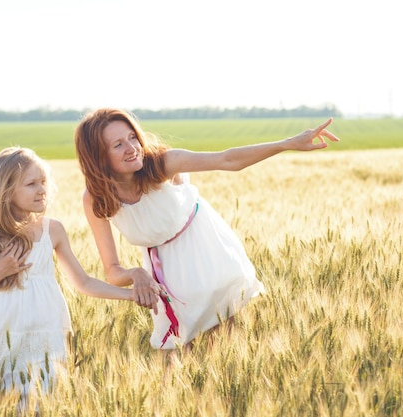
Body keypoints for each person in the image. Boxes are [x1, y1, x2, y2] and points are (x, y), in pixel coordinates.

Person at [73, 108, 340, 350]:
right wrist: (136, 274)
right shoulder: (96, 198)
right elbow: (112, 271)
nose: (132, 147)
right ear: (99, 157)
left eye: (132, 137)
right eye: (118, 144)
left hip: (208, 254)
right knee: (178, 363)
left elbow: (227, 160)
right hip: (167, 276)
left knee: (228, 348)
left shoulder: (163, 163)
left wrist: (288, 143)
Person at [0, 147, 141, 413]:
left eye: (43, 182)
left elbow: (83, 282)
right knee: (4, 407)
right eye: (31, 184)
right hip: (2, 336)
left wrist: (130, 294)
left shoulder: (51, 230)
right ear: (6, 191)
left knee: (46, 404)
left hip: (46, 334)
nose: (42, 189)